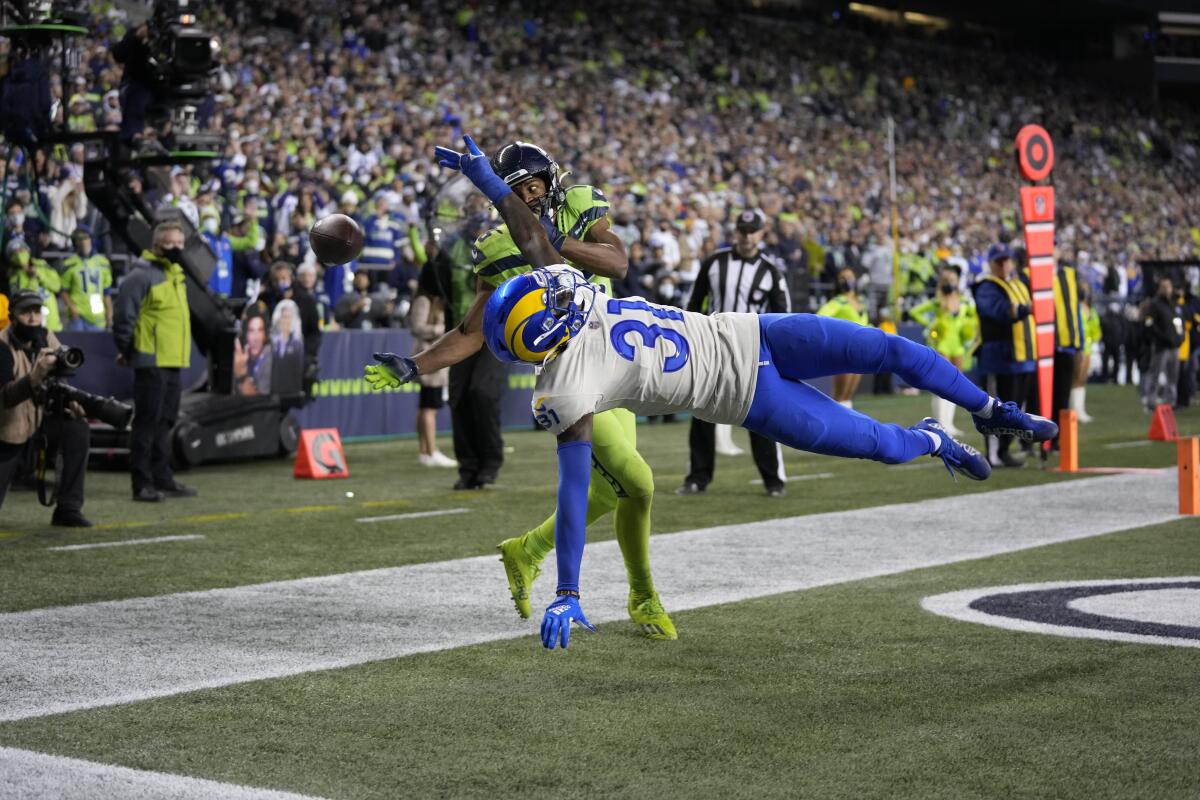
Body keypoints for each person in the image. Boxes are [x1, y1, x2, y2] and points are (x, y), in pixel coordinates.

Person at [420, 137, 1056, 649]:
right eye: (547, 297)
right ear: (541, 330)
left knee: (887, 348)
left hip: (751, 332)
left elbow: (542, 243)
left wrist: (491, 182)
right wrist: (569, 589)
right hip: (746, 398)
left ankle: (991, 410)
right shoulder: (566, 387)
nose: (557, 287)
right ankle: (932, 438)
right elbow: (575, 485)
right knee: (879, 447)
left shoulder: (571, 295)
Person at [365, 137, 677, 641]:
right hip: (569, 378)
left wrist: (552, 238)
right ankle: (643, 595)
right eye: (517, 192)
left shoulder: (579, 205)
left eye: (533, 186)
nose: (529, 197)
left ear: (550, 181)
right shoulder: (497, 245)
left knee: (612, 491)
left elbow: (617, 263)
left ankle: (527, 550)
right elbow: (471, 331)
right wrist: (414, 365)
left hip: (618, 364)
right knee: (637, 484)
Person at [678, 208, 790, 497]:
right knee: (701, 412)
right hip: (713, 347)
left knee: (761, 416)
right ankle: (697, 478)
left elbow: (783, 318)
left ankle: (773, 481)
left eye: (753, 231)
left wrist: (776, 356)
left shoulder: (771, 271)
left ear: (762, 233)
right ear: (735, 231)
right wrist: (693, 338)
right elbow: (695, 303)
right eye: (743, 230)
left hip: (752, 351)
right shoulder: (714, 262)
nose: (747, 236)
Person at [112, 222, 197, 502]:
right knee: (147, 424)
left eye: (180, 244)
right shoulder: (141, 276)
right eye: (171, 244)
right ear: (156, 245)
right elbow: (124, 317)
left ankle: (163, 477)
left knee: (166, 422)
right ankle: (142, 484)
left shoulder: (176, 276)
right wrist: (129, 350)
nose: (177, 249)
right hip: (151, 360)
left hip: (173, 360)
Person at [0, 291, 92, 526]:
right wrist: (35, 376)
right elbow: (5, 399)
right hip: (6, 429)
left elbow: (62, 374)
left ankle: (68, 509)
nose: (32, 319)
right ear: (12, 317)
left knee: (76, 429)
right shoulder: (2, 346)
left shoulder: (45, 336)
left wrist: (69, 400)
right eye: (25, 313)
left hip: (38, 419)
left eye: (36, 312)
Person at [972, 243, 1037, 468]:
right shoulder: (987, 286)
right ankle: (993, 453)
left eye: (1006, 260)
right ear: (991, 264)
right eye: (999, 261)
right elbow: (996, 310)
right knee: (994, 407)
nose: (1004, 265)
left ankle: (1004, 449)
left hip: (1021, 357)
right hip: (997, 357)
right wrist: (1021, 310)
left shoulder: (1017, 283)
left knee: (1015, 407)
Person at [909, 266, 978, 435]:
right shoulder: (937, 302)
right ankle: (941, 423)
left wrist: (968, 327)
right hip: (943, 345)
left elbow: (975, 316)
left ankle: (950, 424)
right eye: (947, 281)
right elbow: (914, 311)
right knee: (942, 383)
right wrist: (932, 326)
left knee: (956, 383)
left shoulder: (963, 301)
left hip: (959, 346)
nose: (950, 284)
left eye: (953, 281)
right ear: (941, 284)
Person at [408, 274, 457, 468]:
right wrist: (440, 329)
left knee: (427, 406)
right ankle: (430, 451)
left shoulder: (435, 301)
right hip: (429, 357)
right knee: (430, 408)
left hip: (431, 356)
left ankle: (426, 451)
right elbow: (417, 327)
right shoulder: (423, 300)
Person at [816, 266, 869, 408]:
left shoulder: (860, 301)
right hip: (844, 350)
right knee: (840, 394)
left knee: (849, 394)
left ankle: (846, 427)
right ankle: (834, 426)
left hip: (861, 350)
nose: (846, 280)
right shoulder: (838, 301)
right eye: (842, 278)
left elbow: (864, 323)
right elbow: (820, 316)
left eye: (850, 277)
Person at [1140, 275, 1184, 411]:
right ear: (1160, 288)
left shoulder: (1173, 304)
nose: (1166, 289)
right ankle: (1151, 403)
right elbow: (1149, 324)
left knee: (1173, 376)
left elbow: (1178, 322)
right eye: (1164, 287)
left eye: (1168, 286)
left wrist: (1180, 337)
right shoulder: (1155, 304)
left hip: (1174, 346)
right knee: (1155, 374)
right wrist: (1161, 337)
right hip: (1160, 347)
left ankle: (1170, 402)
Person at [60, 229, 113, 331]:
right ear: (75, 242)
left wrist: (109, 313)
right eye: (79, 239)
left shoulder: (103, 263)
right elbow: (63, 290)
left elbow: (107, 291)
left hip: (97, 316)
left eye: (85, 238)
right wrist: (73, 309)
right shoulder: (69, 263)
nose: (83, 241)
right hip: (78, 315)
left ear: (91, 240)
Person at [7, 239, 63, 333]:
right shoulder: (14, 278)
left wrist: (39, 274)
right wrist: (32, 279)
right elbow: (22, 300)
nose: (19, 255)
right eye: (14, 253)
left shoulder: (41, 264)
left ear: (28, 250)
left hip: (53, 322)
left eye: (21, 250)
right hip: (32, 325)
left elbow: (57, 285)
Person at [233, 312, 272, 396]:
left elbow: (260, 404)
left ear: (265, 335)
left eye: (260, 330)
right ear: (245, 335)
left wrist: (241, 374)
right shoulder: (239, 356)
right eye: (251, 330)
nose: (256, 338)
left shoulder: (269, 357)